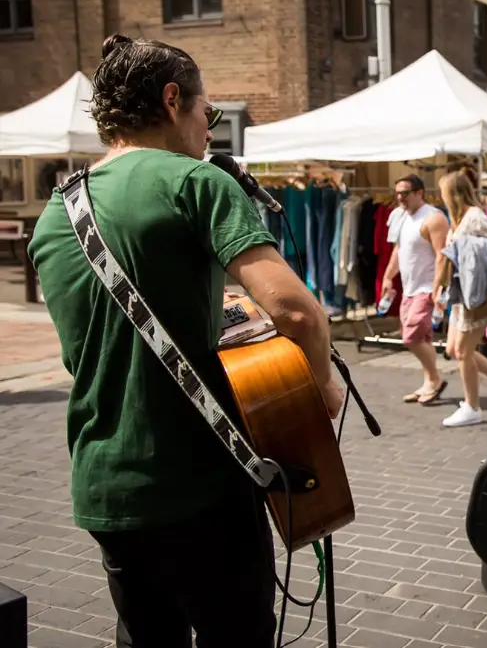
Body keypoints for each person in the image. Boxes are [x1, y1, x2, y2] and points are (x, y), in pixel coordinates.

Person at [27, 35, 344, 647]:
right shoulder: (195, 183)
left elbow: (92, 348)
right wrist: (323, 385)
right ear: (173, 100)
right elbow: (297, 313)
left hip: (106, 485)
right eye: (209, 113)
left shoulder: (55, 213)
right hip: (199, 480)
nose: (208, 130)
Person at [435, 170, 487, 428]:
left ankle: (472, 406)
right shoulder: (461, 219)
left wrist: (465, 248)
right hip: (463, 294)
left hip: (477, 293)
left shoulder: (474, 217)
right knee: (453, 349)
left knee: (462, 351)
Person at [380, 173, 450, 404]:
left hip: (426, 287)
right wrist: (388, 278)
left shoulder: (433, 218)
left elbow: (442, 255)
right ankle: (429, 382)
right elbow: (399, 251)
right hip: (409, 287)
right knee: (419, 337)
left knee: (412, 337)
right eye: (397, 193)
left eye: (405, 193)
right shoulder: (400, 216)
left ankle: (435, 380)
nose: (400, 197)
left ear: (419, 193)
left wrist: (438, 288)